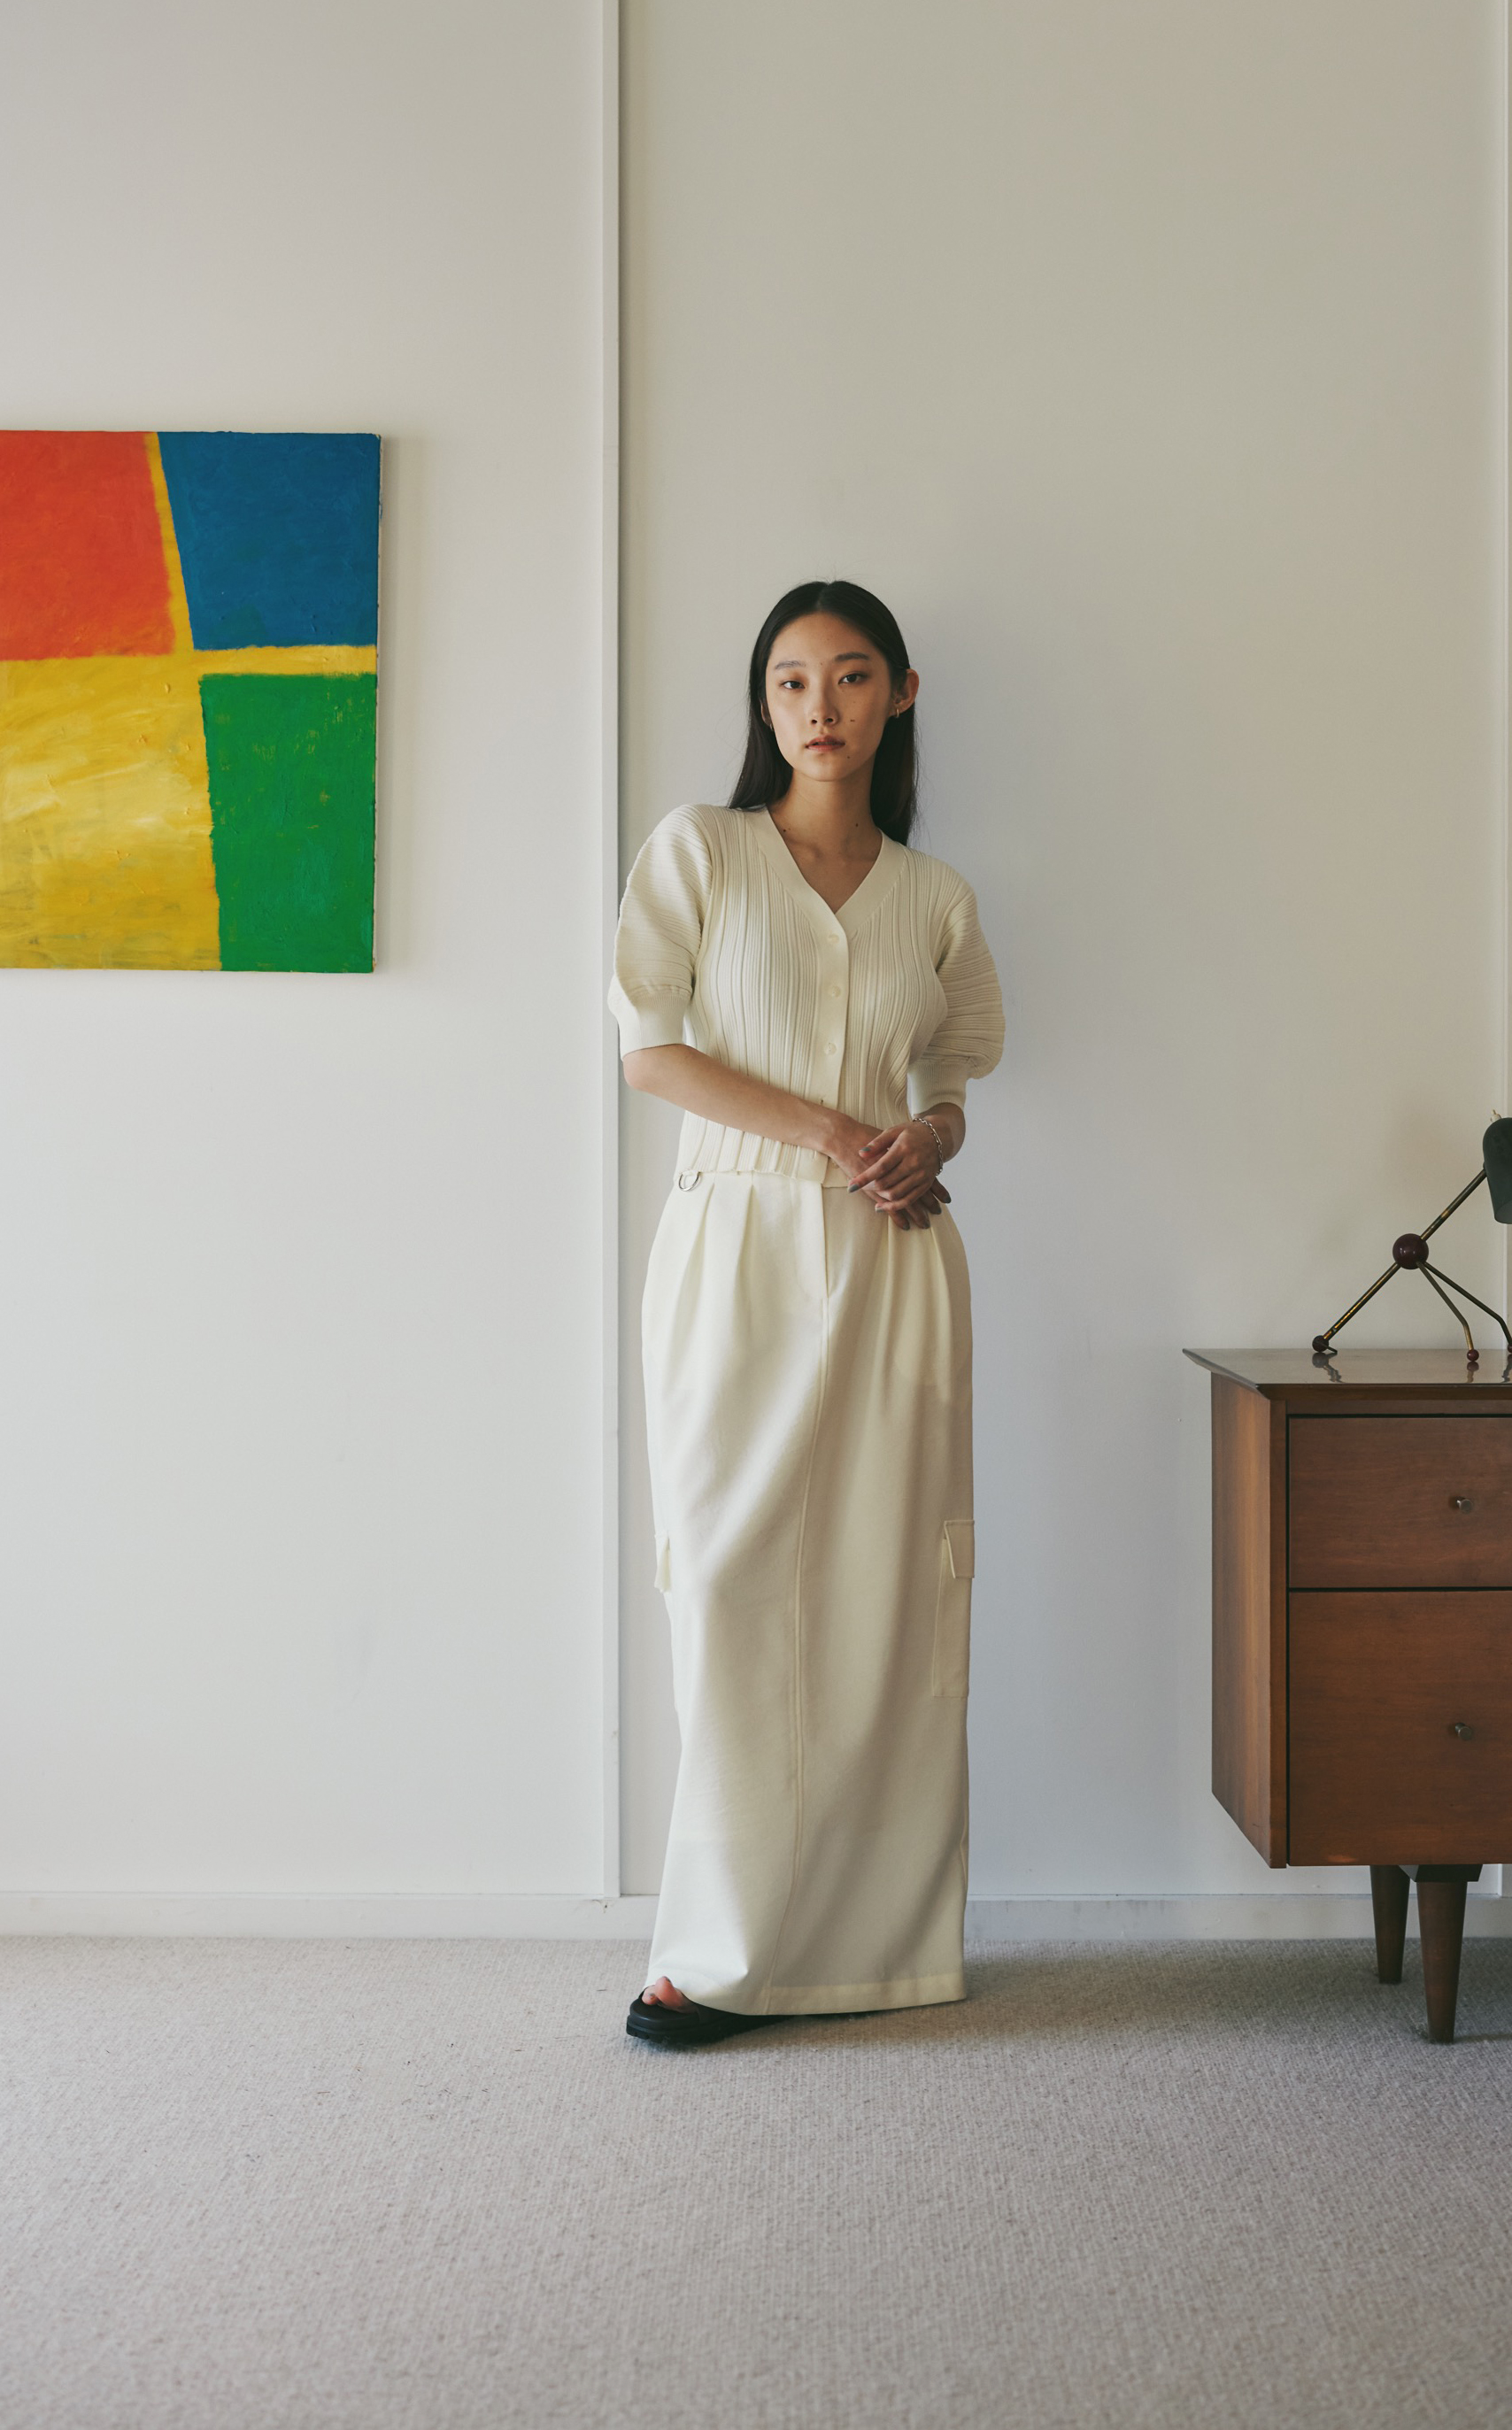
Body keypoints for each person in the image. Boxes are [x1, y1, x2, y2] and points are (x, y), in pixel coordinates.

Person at [610, 579, 1004, 2048]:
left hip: (896, 1255)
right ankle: (718, 1949)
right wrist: (839, 1133)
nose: (818, 706)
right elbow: (651, 1050)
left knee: (890, 1589)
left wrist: (926, 1137)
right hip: (737, 1242)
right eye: (789, 680)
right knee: (725, 1580)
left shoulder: (935, 894)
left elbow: (954, 1072)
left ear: (900, 693)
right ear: (763, 702)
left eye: (848, 676)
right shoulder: (700, 852)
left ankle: (875, 1947)